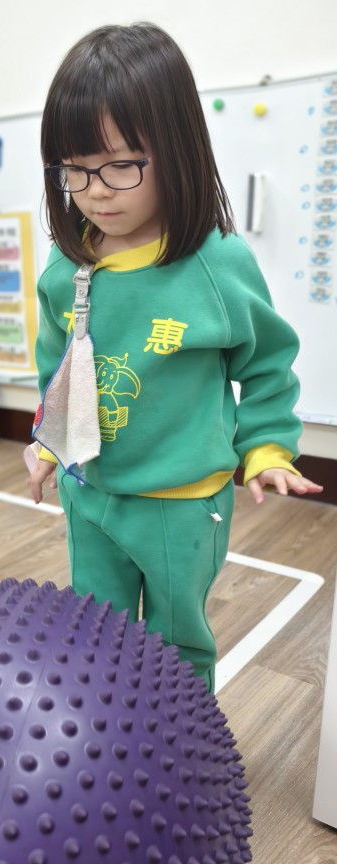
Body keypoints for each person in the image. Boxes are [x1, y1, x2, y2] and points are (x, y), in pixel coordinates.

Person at [27, 22, 322, 691]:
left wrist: (268, 448)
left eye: (121, 164)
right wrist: (47, 442)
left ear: (177, 151)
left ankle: (181, 749)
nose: (96, 190)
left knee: (176, 645)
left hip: (180, 503)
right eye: (75, 168)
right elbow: (56, 368)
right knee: (95, 639)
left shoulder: (217, 264)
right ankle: (105, 737)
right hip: (91, 493)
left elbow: (267, 367)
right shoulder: (67, 264)